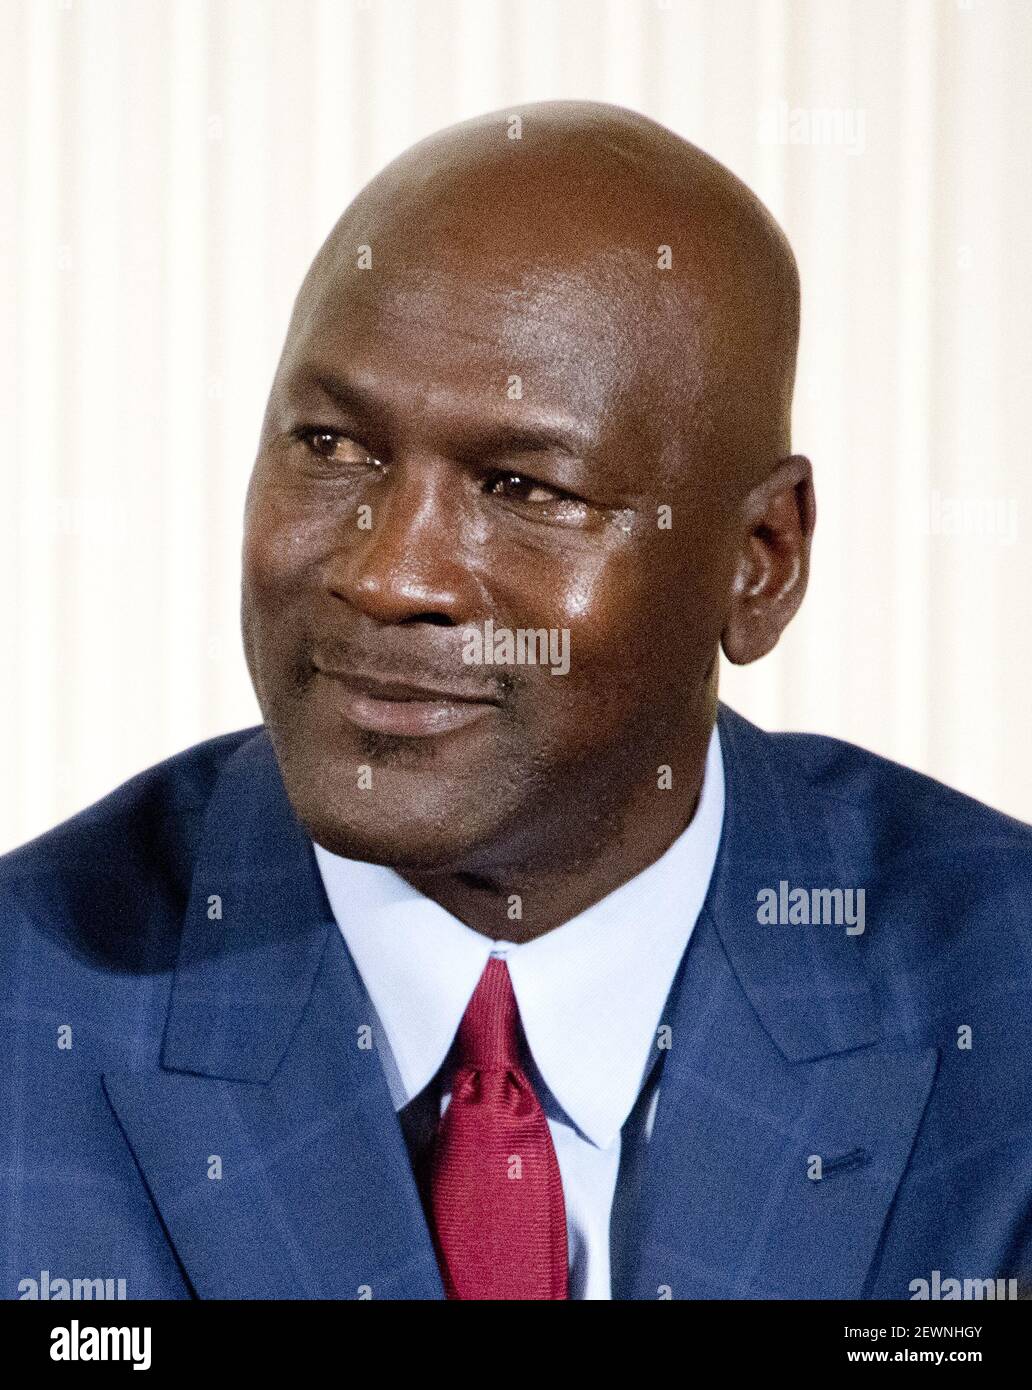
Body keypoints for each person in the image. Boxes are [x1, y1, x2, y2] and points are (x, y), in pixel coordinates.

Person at [3, 101, 1031, 1301]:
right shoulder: (32, 1016)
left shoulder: (1000, 1004)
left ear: (759, 562)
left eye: (521, 485)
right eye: (333, 447)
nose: (388, 573)